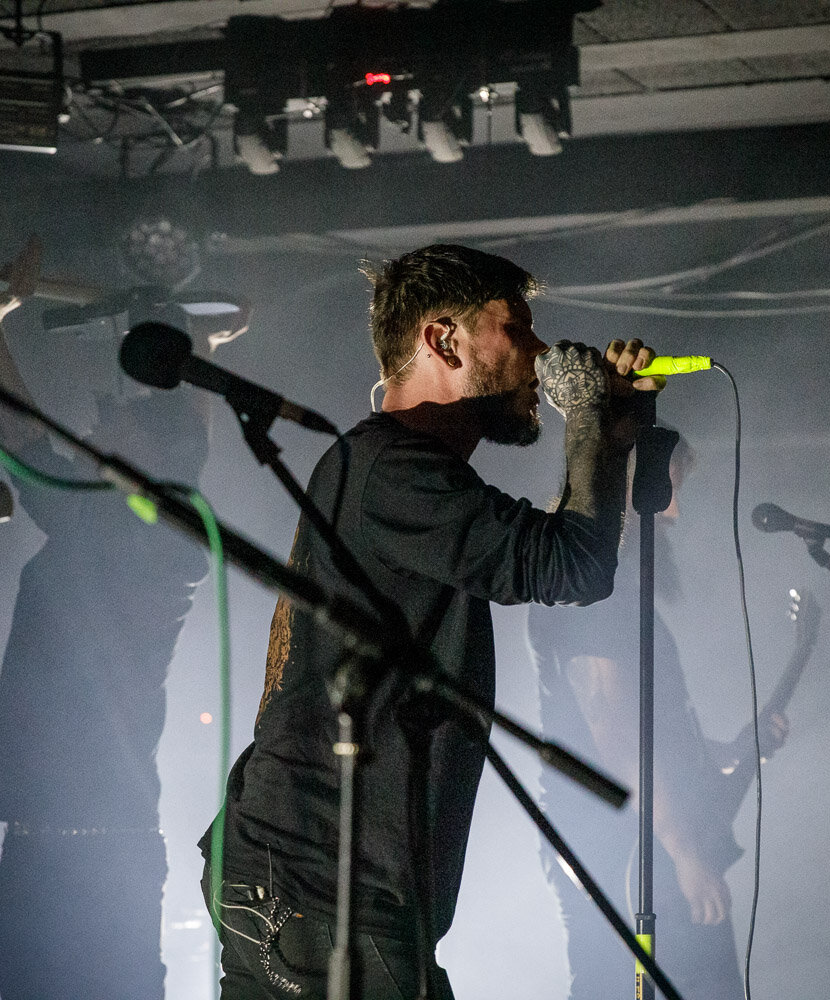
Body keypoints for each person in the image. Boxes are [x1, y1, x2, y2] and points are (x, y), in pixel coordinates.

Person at [201, 244, 662, 1000]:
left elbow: (562, 557)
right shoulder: (393, 472)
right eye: (518, 329)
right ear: (443, 340)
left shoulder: (391, 469)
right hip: (325, 882)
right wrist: (587, 412)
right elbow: (572, 566)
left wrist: (603, 437)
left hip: (299, 874)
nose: (542, 354)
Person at [0, 231, 234, 999]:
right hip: (61, 843)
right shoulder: (135, 520)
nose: (90, 428)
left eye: (111, 420)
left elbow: (20, 434)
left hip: (86, 851)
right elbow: (186, 442)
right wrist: (198, 353)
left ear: (144, 454)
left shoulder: (132, 526)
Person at [526, 439, 799, 1000]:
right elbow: (618, 738)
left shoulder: (609, 585)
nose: (675, 511)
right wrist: (682, 850)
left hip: (638, 837)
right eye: (670, 487)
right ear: (629, 487)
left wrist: (725, 750)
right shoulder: (593, 591)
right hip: (628, 852)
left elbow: (649, 725)